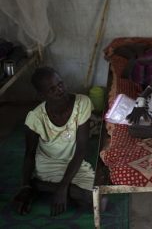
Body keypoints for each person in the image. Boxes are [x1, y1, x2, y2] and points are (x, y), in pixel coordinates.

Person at [13, 67, 95, 216]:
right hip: (49, 164)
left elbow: (82, 148)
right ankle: (34, 185)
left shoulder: (82, 103)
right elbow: (29, 154)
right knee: (84, 198)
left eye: (60, 84)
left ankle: (39, 187)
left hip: (75, 162)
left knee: (97, 202)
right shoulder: (35, 118)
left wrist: (62, 189)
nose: (60, 90)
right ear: (41, 95)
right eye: (52, 89)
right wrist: (24, 186)